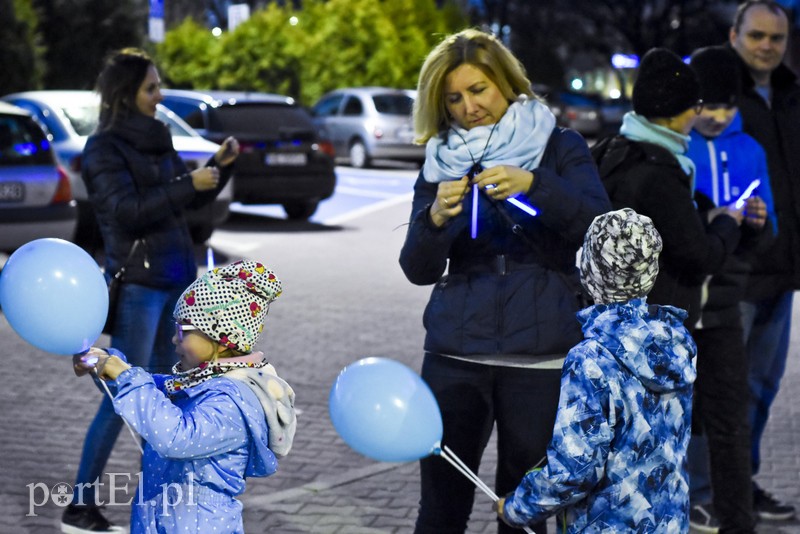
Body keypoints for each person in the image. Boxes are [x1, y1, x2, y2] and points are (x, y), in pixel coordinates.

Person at [399, 28, 611, 534]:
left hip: (540, 357)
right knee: (441, 509)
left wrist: (535, 186)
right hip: (455, 355)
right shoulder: (440, 160)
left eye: (479, 90)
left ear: (507, 85)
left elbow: (601, 229)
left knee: (526, 511)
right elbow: (417, 269)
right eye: (453, 97)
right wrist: (434, 220)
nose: (469, 106)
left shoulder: (560, 145)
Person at [62, 48, 240, 533]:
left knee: (164, 396)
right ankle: (79, 507)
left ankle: (158, 506)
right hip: (139, 283)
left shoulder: (158, 137)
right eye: (151, 88)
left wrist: (214, 167)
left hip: (175, 277)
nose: (160, 97)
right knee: (123, 396)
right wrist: (188, 185)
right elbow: (125, 210)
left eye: (159, 87)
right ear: (126, 94)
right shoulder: (103, 149)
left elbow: (178, 197)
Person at [496, 208, 696, 532]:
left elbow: (574, 471)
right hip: (668, 523)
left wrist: (518, 507)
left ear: (590, 271)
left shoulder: (590, 359)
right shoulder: (676, 342)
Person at [70, 260, 296, 534]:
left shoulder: (234, 401)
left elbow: (177, 438)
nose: (173, 340)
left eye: (182, 331)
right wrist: (108, 367)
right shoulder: (199, 382)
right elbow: (147, 394)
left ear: (222, 336)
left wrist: (128, 377)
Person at [685, 45, 776, 534]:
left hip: (728, 294)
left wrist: (758, 222)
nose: (717, 116)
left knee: (727, 406)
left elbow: (769, 225)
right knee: (686, 405)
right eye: (707, 105)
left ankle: (729, 505)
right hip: (682, 294)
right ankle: (690, 494)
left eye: (727, 105)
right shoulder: (681, 146)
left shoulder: (750, 149)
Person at [592, 47, 744, 330]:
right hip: (655, 325)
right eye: (697, 106)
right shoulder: (659, 173)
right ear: (678, 113)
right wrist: (728, 222)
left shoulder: (611, 150)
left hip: (610, 318)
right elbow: (699, 256)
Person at [728, 0, 799, 520]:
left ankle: (742, 483)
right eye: (757, 36)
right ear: (735, 36)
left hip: (783, 268)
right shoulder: (718, 94)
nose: (767, 46)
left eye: (776, 38)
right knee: (723, 389)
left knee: (762, 385)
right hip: (733, 271)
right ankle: (711, 490)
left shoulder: (793, 95)